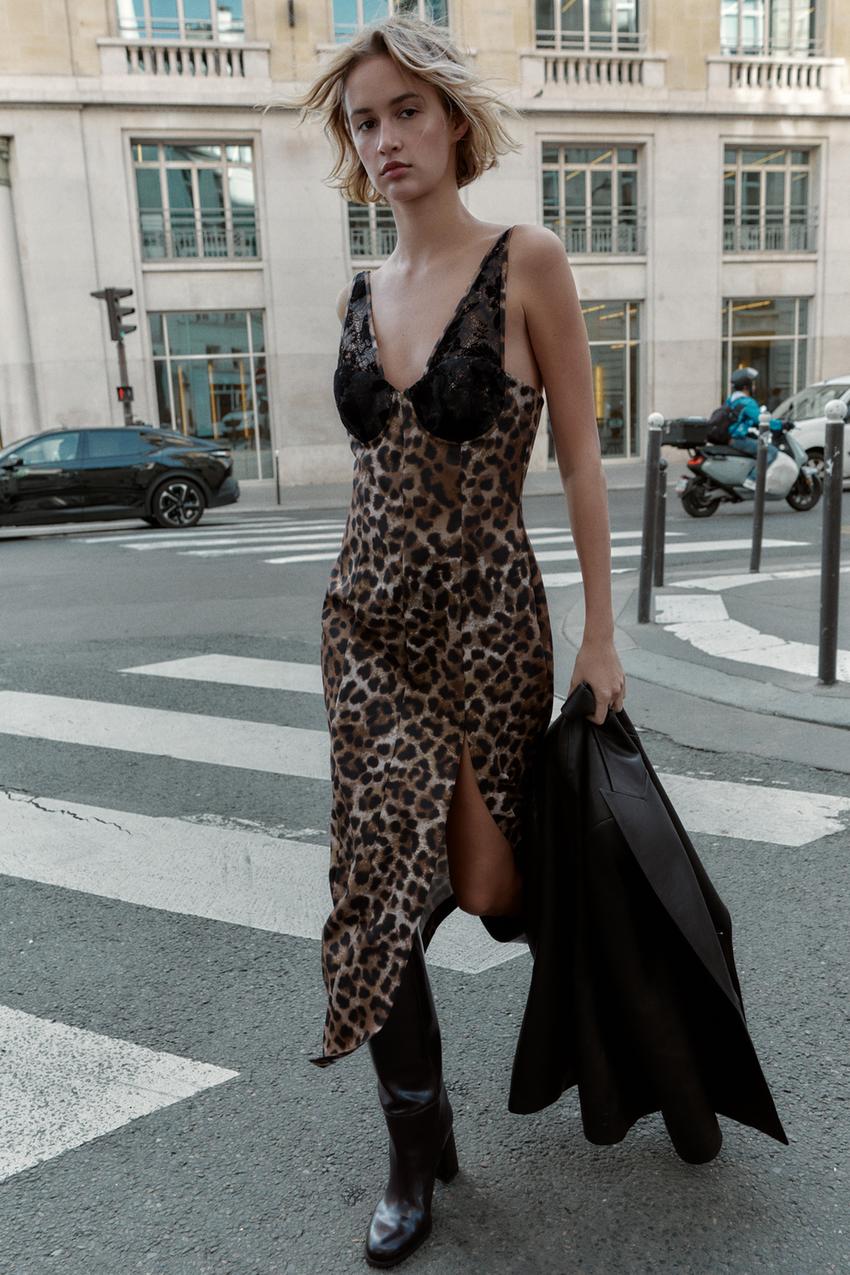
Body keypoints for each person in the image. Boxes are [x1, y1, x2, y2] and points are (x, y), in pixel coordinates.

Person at [289, 14, 625, 1267]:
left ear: (453, 120)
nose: (383, 139)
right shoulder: (358, 290)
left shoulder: (523, 259)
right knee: (377, 892)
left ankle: (626, 995)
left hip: (486, 621)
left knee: (487, 889)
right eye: (363, 121)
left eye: (404, 112)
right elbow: (376, 477)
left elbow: (585, 458)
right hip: (366, 626)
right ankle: (414, 1141)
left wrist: (600, 636)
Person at [725, 366, 783, 489]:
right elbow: (761, 419)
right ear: (747, 386)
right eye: (753, 384)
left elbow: (739, 418)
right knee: (770, 452)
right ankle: (752, 479)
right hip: (737, 438)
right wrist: (782, 424)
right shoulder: (747, 402)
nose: (754, 387)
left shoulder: (731, 399)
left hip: (728, 436)